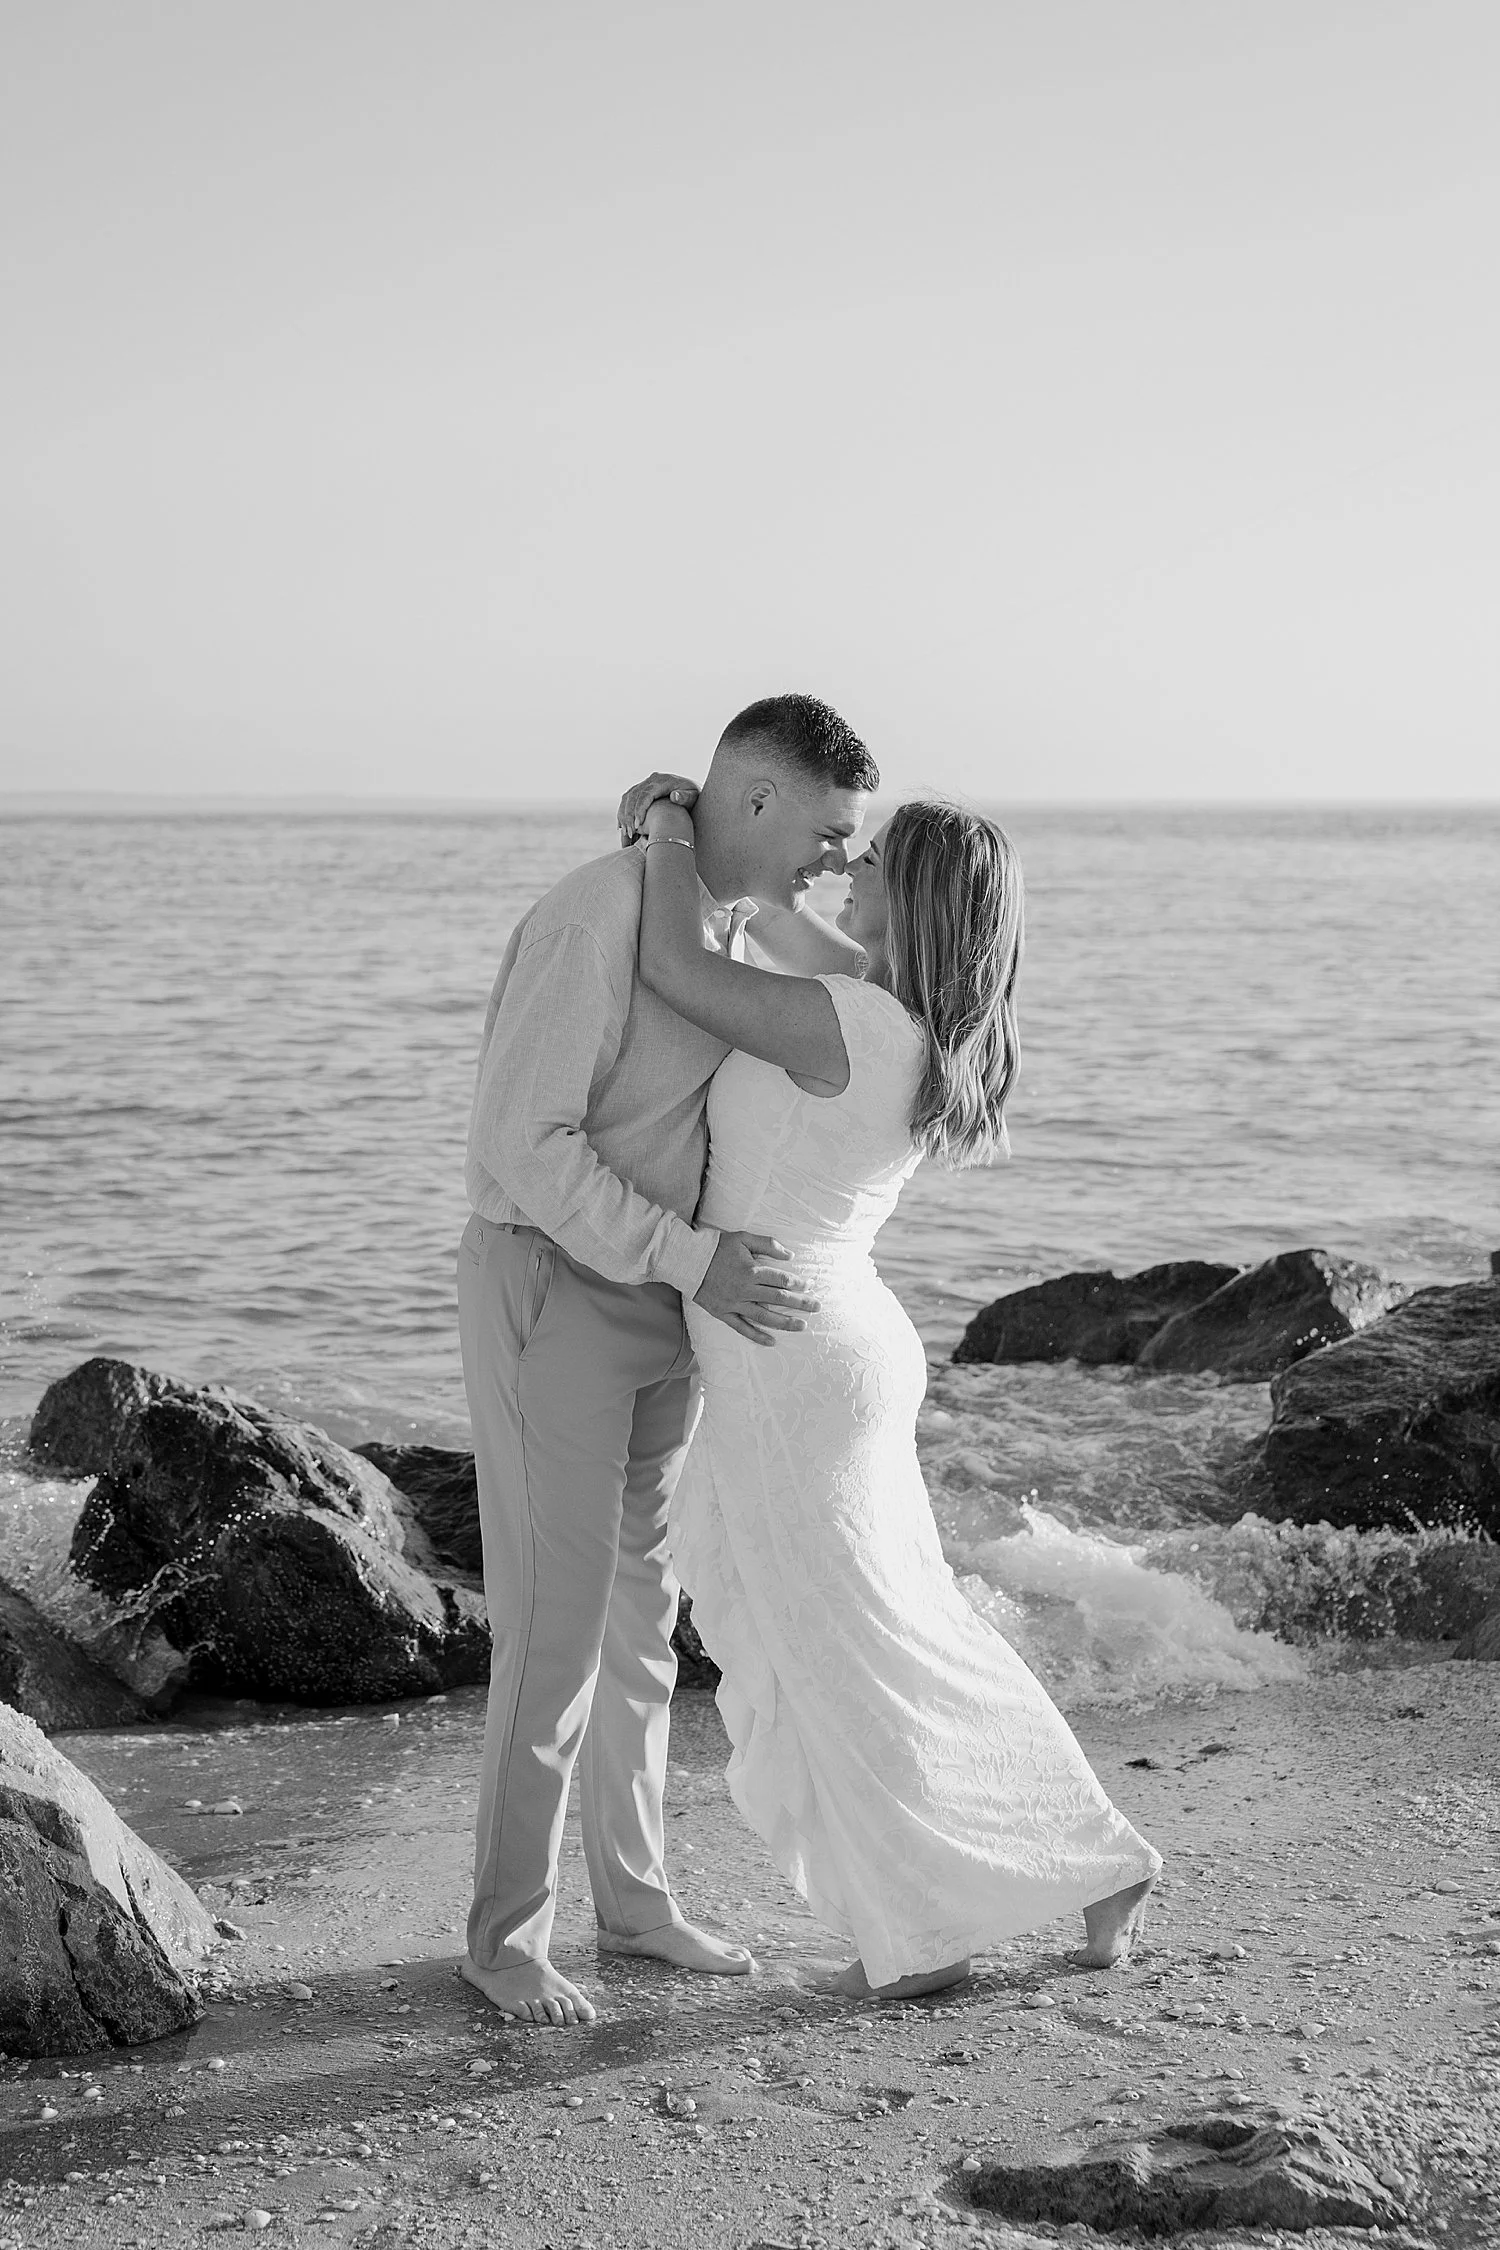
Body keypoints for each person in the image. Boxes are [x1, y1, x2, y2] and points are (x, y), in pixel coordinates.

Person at [618, 778, 1161, 1998]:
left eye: (870, 863)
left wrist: (666, 831)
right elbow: (770, 919)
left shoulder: (856, 1024)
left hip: (794, 1359)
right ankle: (1068, 1865)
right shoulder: (888, 1012)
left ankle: (940, 1921)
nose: (846, 869)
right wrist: (736, 842)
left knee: (852, 1645)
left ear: (912, 900)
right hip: (820, 1345)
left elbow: (672, 966)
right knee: (896, 1629)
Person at [457, 694, 878, 2027]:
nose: (839, 862)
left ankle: (633, 1908)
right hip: (554, 1285)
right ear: (754, 801)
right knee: (554, 1632)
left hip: (668, 1306)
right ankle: (504, 1941)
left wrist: (688, 1274)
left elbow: (861, 987)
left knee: (643, 1630)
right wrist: (692, 1259)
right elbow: (524, 1142)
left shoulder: (723, 926)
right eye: (829, 833)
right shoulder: (597, 915)